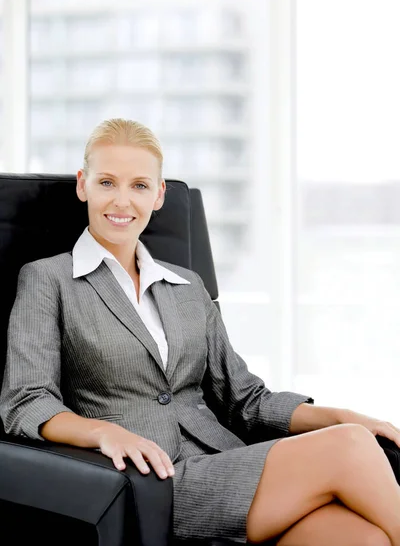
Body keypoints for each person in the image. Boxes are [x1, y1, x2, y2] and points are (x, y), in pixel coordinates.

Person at [1, 118, 400, 546]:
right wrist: (103, 432)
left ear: (158, 195)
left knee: (361, 535)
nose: (121, 200)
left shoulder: (187, 285)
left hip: (228, 462)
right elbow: (26, 401)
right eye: (106, 182)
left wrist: (340, 415)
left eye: (138, 185)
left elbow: (246, 399)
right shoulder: (49, 279)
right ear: (83, 185)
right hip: (155, 483)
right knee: (349, 447)